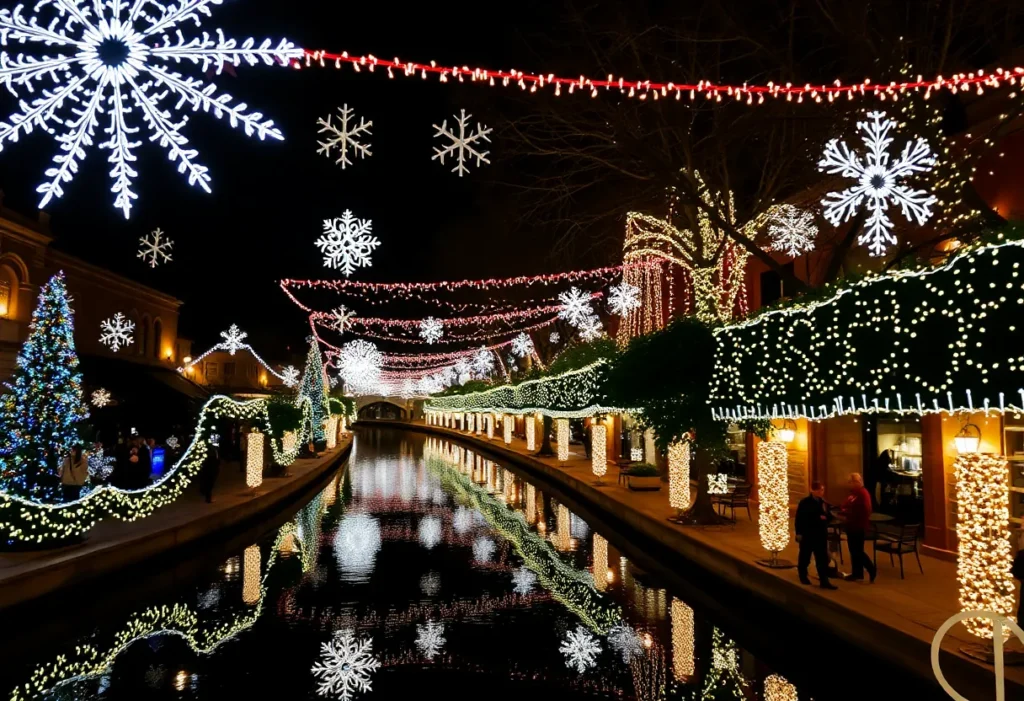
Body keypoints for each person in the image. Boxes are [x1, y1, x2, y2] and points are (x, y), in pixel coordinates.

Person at [796, 481, 838, 590]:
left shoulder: (823, 503)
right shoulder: (805, 502)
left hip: (820, 535)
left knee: (822, 559)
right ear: (813, 490)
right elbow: (799, 519)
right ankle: (803, 575)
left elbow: (828, 516)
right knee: (805, 556)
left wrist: (827, 518)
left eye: (822, 490)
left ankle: (824, 580)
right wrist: (799, 533)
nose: (821, 492)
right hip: (808, 534)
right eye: (819, 490)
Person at [841, 472, 877, 583]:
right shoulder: (854, 494)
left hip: (858, 526)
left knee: (857, 551)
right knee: (853, 550)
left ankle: (871, 569)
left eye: (850, 482)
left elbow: (866, 510)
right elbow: (844, 504)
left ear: (857, 482)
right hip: (851, 525)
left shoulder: (862, 493)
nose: (849, 484)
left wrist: (849, 513)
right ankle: (857, 573)